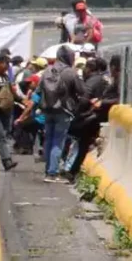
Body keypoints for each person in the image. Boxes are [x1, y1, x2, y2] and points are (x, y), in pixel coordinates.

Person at [37, 45, 84, 182]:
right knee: (58, 141)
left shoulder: (47, 71)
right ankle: (53, 173)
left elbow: (39, 90)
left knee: (49, 139)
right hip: (63, 111)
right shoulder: (70, 72)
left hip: (47, 110)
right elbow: (81, 91)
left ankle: (48, 170)